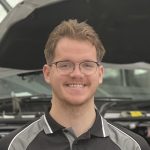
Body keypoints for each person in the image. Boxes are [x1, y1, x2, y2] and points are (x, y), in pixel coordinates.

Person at [0, 19, 149, 150]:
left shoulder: (132, 146)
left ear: (100, 74)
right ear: (47, 73)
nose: (77, 74)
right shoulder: (14, 146)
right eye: (65, 65)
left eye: (87, 65)